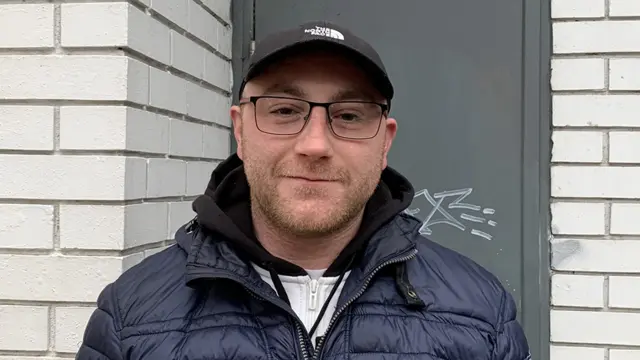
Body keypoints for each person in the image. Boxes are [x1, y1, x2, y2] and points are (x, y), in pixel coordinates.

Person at [76, 20, 530, 360]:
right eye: (284, 110)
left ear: (385, 141)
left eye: (349, 115)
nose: (315, 144)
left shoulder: (482, 313)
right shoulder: (131, 317)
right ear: (240, 129)